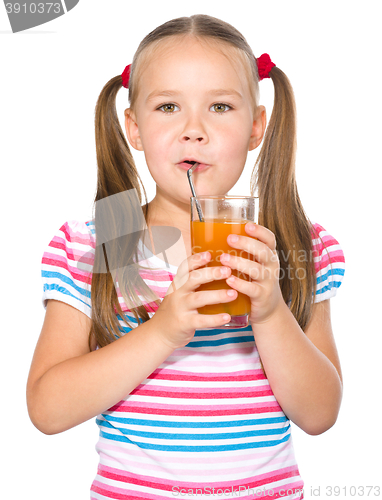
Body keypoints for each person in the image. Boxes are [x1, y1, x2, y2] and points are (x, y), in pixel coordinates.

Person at [27, 14, 345, 500]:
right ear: (133, 127)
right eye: (169, 106)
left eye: (220, 106)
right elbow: (48, 410)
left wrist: (271, 311)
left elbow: (320, 414)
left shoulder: (296, 244)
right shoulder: (103, 241)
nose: (193, 130)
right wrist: (165, 329)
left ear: (257, 126)